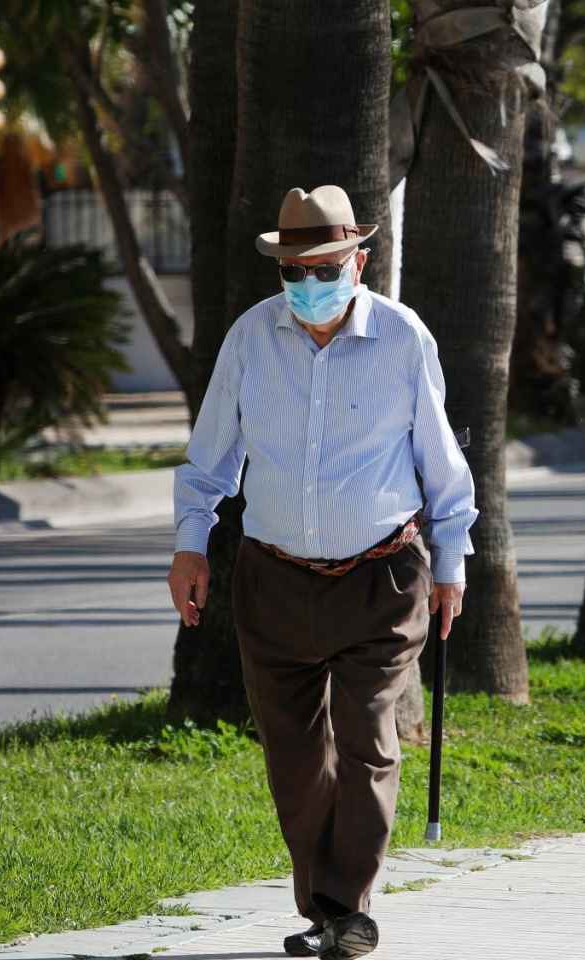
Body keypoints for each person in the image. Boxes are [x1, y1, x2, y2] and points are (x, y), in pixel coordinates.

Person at [167, 184, 476, 959]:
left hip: (382, 578)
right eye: (295, 270)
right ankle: (325, 908)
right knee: (295, 753)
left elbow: (442, 465)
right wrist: (190, 545)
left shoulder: (404, 339)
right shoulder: (250, 339)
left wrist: (451, 563)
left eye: (325, 266)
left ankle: (350, 907)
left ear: (359, 261)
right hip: (274, 579)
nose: (310, 284)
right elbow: (209, 461)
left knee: (367, 734)